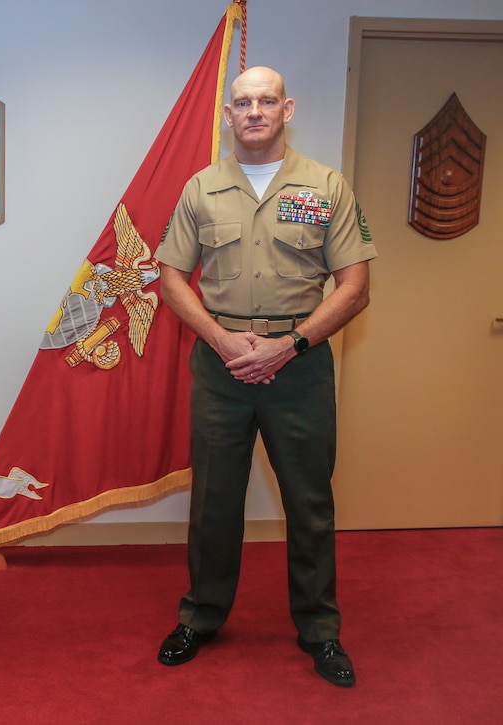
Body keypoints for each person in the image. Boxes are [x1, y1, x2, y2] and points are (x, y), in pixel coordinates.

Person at [152, 66, 376, 687]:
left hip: (298, 364)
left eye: (267, 101)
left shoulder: (326, 186)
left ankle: (320, 631)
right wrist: (223, 340)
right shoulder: (202, 188)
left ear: (287, 108)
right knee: (214, 501)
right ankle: (201, 616)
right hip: (221, 361)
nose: (255, 111)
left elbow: (355, 287)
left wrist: (290, 345)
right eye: (243, 102)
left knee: (309, 502)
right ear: (229, 114)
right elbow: (171, 277)